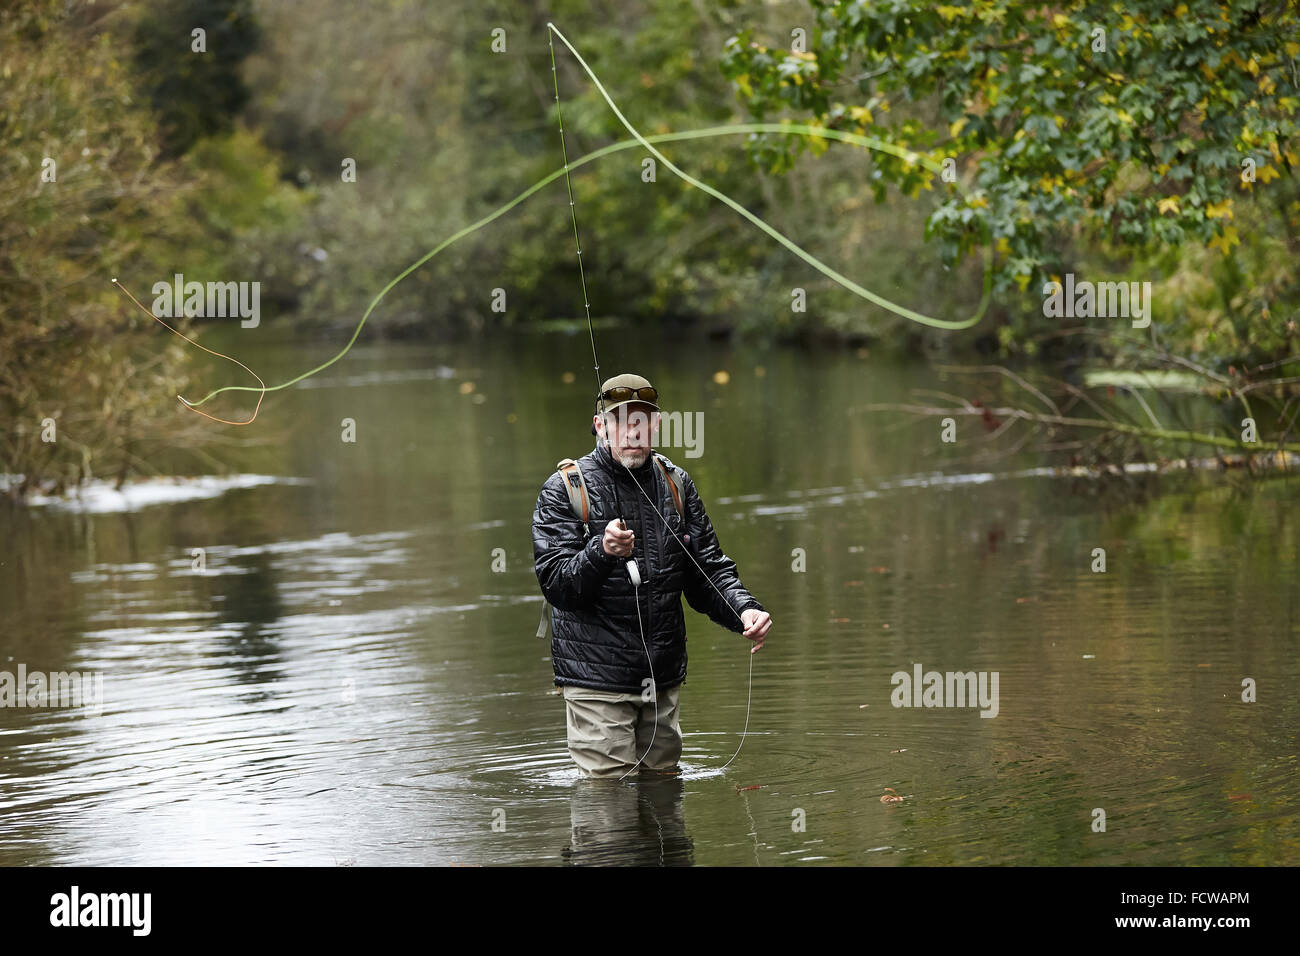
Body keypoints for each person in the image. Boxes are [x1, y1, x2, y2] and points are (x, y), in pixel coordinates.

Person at [531, 372, 772, 777]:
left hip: (661, 677)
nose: (633, 432)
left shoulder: (676, 485)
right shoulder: (566, 489)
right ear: (600, 425)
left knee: (664, 799)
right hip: (596, 680)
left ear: (656, 425)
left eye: (642, 421)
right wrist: (601, 552)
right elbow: (558, 586)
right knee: (610, 812)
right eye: (622, 421)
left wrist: (744, 610)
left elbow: (707, 570)